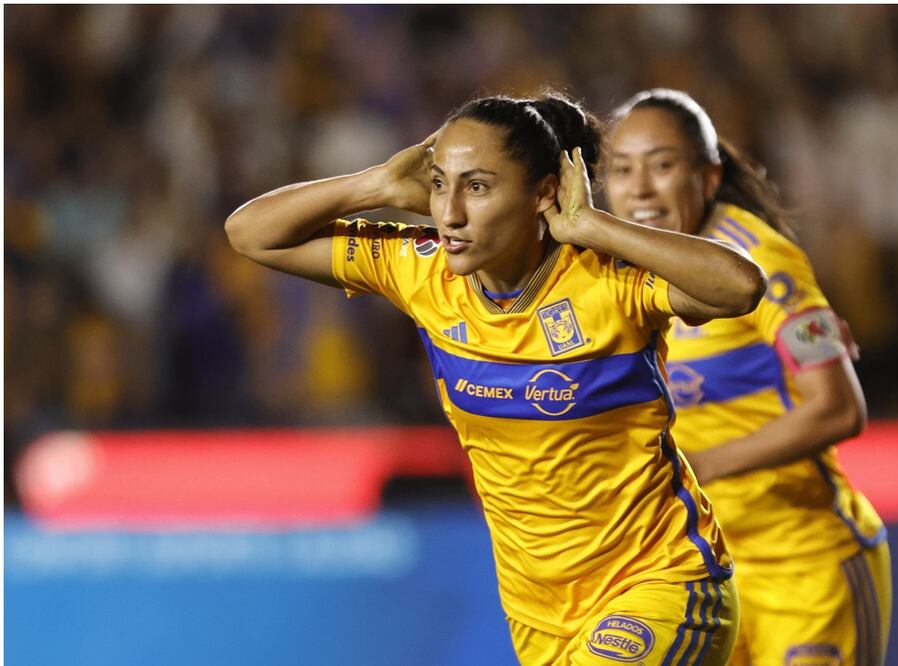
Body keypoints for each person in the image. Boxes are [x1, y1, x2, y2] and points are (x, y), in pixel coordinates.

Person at [225, 91, 767, 665]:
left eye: (477, 186)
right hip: (538, 616)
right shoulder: (422, 272)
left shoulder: (608, 281)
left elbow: (739, 286)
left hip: (662, 585)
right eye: (439, 183)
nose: (450, 211)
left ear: (543, 193)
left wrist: (593, 226)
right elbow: (251, 233)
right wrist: (378, 185)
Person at [605, 88, 892, 666]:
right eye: (620, 169)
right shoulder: (608, 269)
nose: (639, 189)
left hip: (804, 570)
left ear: (708, 177)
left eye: (662, 166)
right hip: (697, 573)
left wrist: (701, 467)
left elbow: (839, 407)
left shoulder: (763, 264)